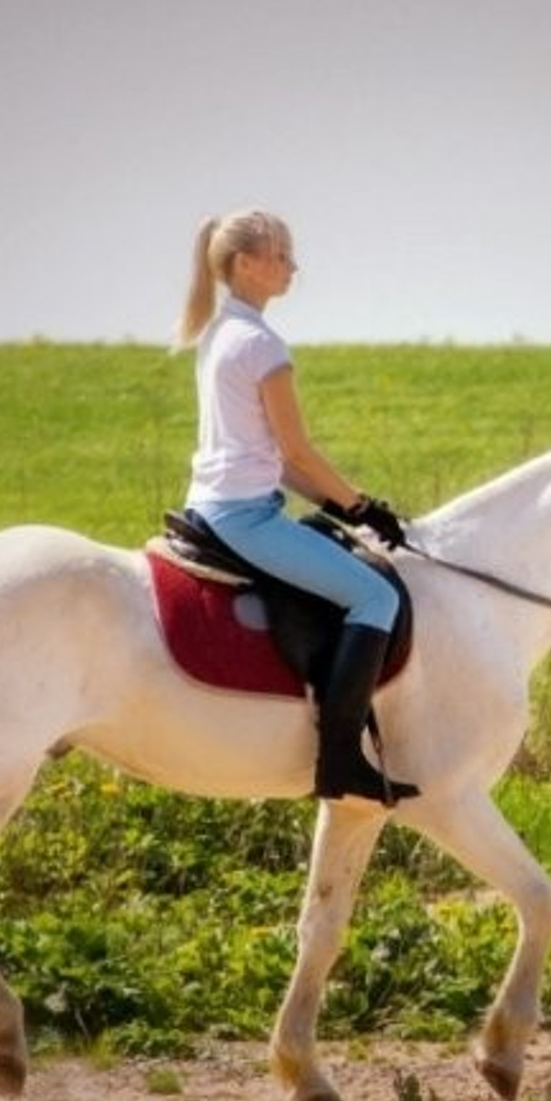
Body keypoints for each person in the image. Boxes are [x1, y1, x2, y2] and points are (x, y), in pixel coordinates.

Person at [173, 208, 418, 805]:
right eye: (281, 255)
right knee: (376, 595)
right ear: (245, 263)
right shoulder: (261, 346)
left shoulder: (219, 335)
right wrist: (362, 503)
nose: (292, 266)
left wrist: (348, 510)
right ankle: (340, 765)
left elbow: (276, 461)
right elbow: (297, 451)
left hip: (214, 504)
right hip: (243, 518)